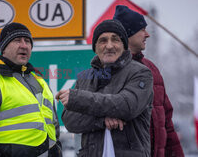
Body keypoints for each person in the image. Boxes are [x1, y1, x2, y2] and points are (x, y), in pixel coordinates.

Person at [0, 22, 62, 157]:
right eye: (17, 40)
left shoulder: (39, 80)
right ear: (4, 48)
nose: (24, 45)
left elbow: (53, 128)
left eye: (27, 41)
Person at [56, 19, 154, 157]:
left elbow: (126, 106)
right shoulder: (85, 77)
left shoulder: (141, 73)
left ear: (124, 45)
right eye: (103, 40)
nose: (109, 46)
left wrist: (78, 98)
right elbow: (70, 121)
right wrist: (101, 121)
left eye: (115, 40)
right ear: (95, 47)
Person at [113, 5, 184, 157]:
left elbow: (167, 124)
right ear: (127, 34)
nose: (147, 35)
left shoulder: (152, 69)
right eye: (142, 30)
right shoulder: (108, 72)